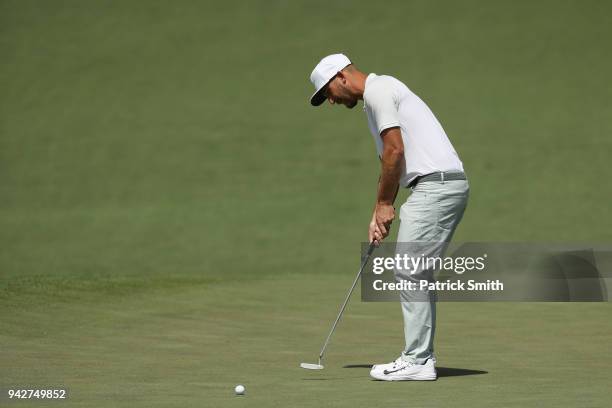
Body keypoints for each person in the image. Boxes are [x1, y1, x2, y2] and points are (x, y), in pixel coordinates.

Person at [308, 53, 469, 381]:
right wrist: (380, 211)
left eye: (328, 93)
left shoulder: (379, 91)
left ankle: (418, 360)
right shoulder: (377, 98)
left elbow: (395, 151)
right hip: (434, 186)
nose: (331, 102)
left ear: (341, 77)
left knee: (409, 270)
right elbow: (391, 161)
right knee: (414, 271)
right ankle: (420, 358)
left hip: (435, 187)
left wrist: (384, 205)